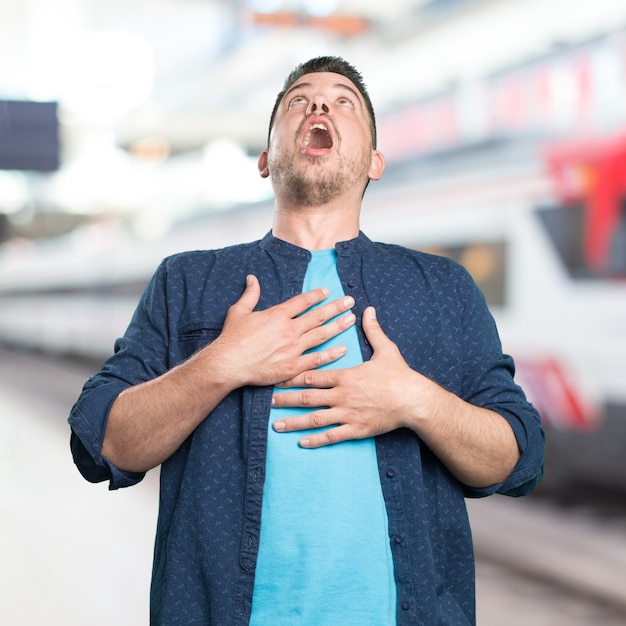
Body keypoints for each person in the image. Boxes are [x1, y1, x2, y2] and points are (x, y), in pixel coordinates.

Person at [69, 56, 544, 625]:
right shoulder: (188, 280)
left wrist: (412, 400)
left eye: (344, 101)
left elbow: (517, 458)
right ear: (266, 159)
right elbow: (104, 445)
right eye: (299, 100)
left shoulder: (443, 288)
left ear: (375, 161)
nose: (319, 105)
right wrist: (223, 362)